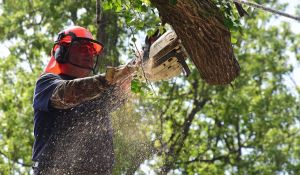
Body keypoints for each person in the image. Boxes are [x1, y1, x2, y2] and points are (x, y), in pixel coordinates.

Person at [32, 26, 137, 175]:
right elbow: (68, 94)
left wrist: (144, 57)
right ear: (61, 51)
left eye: (91, 50)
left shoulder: (98, 92)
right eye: (82, 48)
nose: (89, 53)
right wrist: (108, 79)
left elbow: (120, 92)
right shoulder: (47, 82)